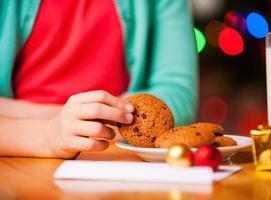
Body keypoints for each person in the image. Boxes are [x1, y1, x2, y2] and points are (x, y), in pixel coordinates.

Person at [0, 0, 198, 158]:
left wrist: (73, 124)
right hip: (19, 158)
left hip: (118, 162)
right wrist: (49, 132)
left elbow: (177, 97)